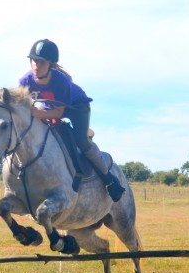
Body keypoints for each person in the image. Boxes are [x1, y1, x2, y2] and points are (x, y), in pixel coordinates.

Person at [19, 38, 125, 202]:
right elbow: (26, 108)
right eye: (33, 61)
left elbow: (59, 113)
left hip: (77, 108)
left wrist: (38, 113)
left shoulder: (60, 81)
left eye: (41, 62)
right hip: (51, 108)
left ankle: (109, 179)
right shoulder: (25, 82)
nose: (35, 66)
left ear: (50, 64)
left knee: (81, 141)